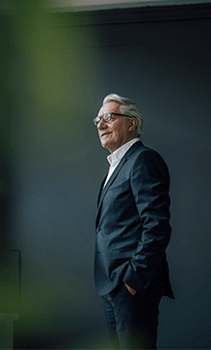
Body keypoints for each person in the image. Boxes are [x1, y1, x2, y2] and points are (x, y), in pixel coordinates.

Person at [93, 93, 174, 349]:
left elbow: (157, 226)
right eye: (98, 120)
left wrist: (133, 281)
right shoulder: (116, 165)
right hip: (112, 285)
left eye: (108, 117)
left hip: (132, 285)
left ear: (131, 123)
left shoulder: (143, 160)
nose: (101, 124)